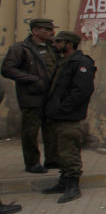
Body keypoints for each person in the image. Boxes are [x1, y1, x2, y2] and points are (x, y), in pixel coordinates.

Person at [41, 31, 96, 204]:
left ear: (69, 44)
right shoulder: (63, 61)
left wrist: (63, 109)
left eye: (59, 42)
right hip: (57, 116)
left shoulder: (81, 62)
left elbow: (82, 91)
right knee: (61, 151)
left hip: (68, 117)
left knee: (69, 152)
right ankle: (64, 181)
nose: (55, 44)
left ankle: (73, 186)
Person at [1, 17, 59, 172]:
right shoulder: (20, 48)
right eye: (46, 29)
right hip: (31, 95)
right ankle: (32, 163)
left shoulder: (52, 48)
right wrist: (31, 79)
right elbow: (7, 69)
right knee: (30, 131)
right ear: (35, 31)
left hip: (50, 95)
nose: (50, 32)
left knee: (51, 129)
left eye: (51, 29)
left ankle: (52, 160)